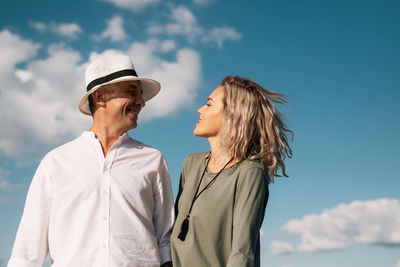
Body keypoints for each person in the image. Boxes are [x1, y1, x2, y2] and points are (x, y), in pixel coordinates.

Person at [8, 54, 174, 267]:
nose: (141, 103)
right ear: (99, 97)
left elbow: (165, 239)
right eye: (132, 93)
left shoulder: (153, 159)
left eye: (141, 96)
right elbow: (27, 252)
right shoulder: (56, 162)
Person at [170, 75, 293, 267]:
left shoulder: (249, 173)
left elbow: (243, 254)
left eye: (209, 104)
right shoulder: (191, 164)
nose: (200, 109)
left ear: (232, 115)